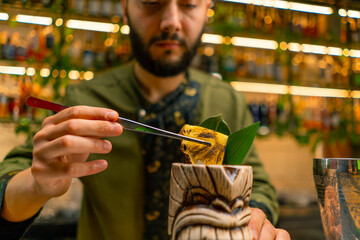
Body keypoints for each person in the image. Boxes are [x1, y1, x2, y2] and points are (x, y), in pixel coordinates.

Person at [0, 0, 291, 239]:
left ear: (207, 9)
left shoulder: (228, 101)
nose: (171, 22)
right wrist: (36, 185)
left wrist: (254, 216)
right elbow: (11, 179)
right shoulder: (84, 97)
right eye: (152, 3)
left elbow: (260, 187)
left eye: (189, 4)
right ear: (126, 8)